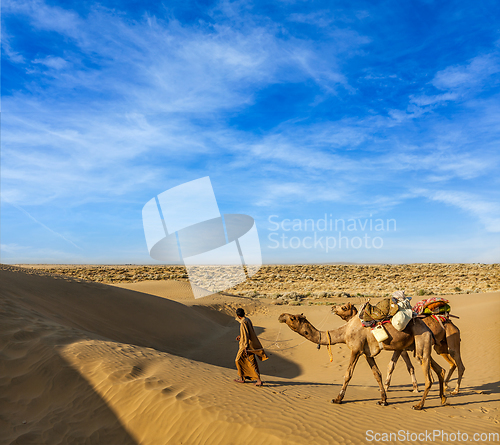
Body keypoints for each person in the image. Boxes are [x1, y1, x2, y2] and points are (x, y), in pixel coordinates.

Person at [234, 308, 268, 386]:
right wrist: (240, 336)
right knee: (251, 361)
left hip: (245, 346)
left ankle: (244, 378)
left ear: (238, 316)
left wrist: (245, 346)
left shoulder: (243, 322)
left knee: (238, 360)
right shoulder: (247, 319)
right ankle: (244, 378)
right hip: (249, 344)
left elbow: (246, 334)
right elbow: (247, 332)